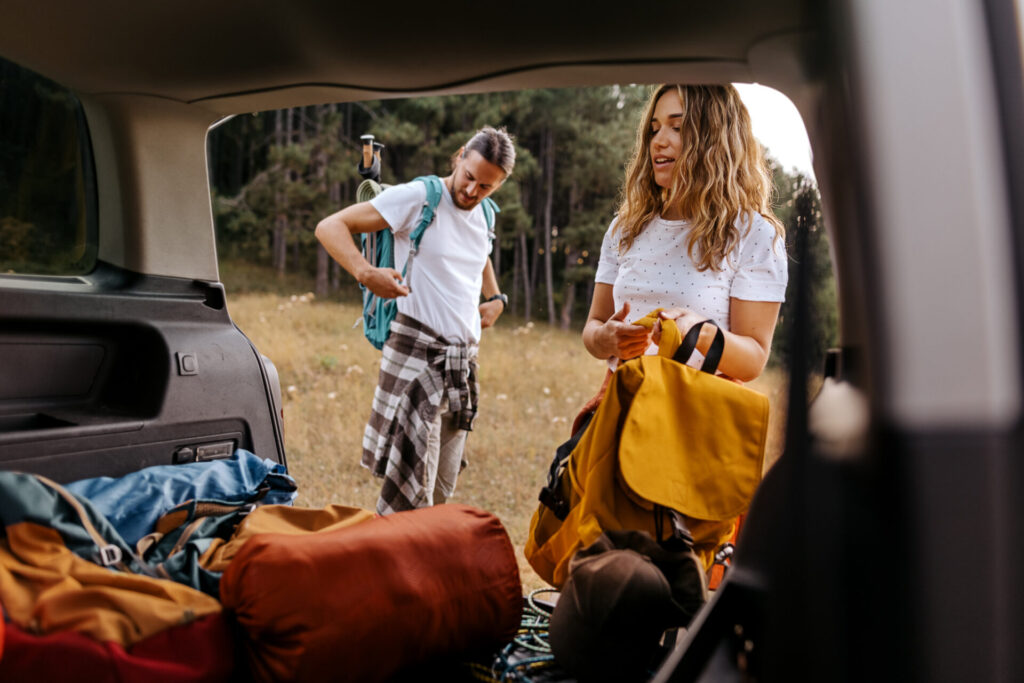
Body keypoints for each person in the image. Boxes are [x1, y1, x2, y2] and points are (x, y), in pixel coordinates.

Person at [315, 126, 515, 514]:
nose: (472, 192)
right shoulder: (420, 197)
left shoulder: (484, 213)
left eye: (486, 187)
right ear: (459, 157)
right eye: (469, 177)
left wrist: (496, 297)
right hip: (417, 360)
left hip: (461, 367)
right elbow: (330, 226)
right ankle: (393, 568)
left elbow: (480, 253)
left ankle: (415, 562)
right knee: (412, 494)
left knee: (441, 491)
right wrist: (364, 271)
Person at [583, 84, 787, 381]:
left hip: (695, 416)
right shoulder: (625, 228)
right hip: (622, 407)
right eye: (654, 129)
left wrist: (701, 334)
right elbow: (594, 324)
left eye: (677, 127)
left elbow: (754, 358)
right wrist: (603, 339)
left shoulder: (754, 234)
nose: (658, 142)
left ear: (715, 139)